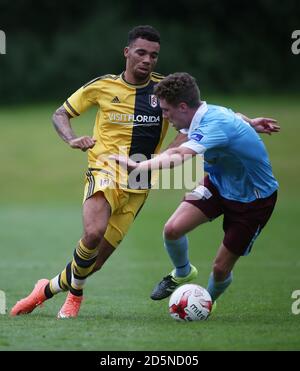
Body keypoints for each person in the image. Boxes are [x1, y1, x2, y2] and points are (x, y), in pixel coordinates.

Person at [10, 27, 277, 318]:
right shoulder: (102, 86)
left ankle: (44, 289)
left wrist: (248, 122)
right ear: (127, 53)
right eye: (141, 52)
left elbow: (210, 115)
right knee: (93, 232)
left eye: (154, 55)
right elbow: (60, 113)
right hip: (106, 167)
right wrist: (72, 139)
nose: (147, 60)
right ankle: (75, 296)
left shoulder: (166, 92)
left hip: (140, 179)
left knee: (95, 262)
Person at [111, 72, 279, 306]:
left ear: (182, 107)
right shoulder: (203, 116)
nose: (164, 116)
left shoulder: (215, 124)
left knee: (220, 269)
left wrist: (138, 166)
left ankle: (204, 302)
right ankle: (182, 272)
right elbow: (234, 116)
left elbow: (179, 155)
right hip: (218, 183)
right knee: (172, 229)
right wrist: (250, 123)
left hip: (253, 200)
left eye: (166, 110)